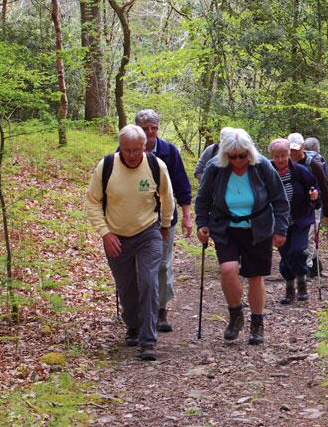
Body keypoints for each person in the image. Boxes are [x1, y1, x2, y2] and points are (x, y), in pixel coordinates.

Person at [86, 125, 175, 361]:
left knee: (148, 281)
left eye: (137, 150)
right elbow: (93, 201)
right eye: (127, 150)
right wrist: (105, 233)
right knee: (126, 286)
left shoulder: (156, 166)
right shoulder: (106, 166)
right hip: (116, 235)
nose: (133, 155)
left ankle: (148, 340)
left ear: (145, 147)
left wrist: (165, 224)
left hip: (148, 232)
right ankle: (133, 326)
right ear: (121, 148)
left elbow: (167, 197)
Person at [194, 129, 289, 345]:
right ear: (225, 154)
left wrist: (281, 229)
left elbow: (280, 199)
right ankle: (236, 315)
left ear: (249, 152)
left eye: (242, 155)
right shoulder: (215, 168)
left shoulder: (262, 165)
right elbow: (203, 198)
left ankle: (257, 323)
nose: (238, 161)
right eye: (232, 156)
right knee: (228, 270)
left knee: (255, 276)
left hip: (259, 228)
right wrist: (202, 224)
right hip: (225, 227)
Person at [135, 109, 192, 333]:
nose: (150, 133)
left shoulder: (169, 151)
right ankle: (140, 310)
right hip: (135, 219)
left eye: (153, 128)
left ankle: (161, 311)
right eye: (145, 128)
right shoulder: (127, 150)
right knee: (138, 267)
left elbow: (182, 185)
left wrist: (187, 215)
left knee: (162, 264)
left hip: (165, 219)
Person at [268, 139, 319, 304]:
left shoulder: (300, 171)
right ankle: (290, 288)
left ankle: (302, 281)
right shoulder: (267, 171)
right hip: (278, 223)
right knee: (285, 256)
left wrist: (314, 196)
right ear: (272, 156)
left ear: (288, 154)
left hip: (300, 219)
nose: (281, 159)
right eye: (277, 156)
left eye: (283, 155)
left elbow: (314, 188)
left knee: (296, 251)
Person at [287, 133, 328, 277]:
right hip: (291, 209)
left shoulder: (313, 164)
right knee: (295, 240)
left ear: (302, 147)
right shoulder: (283, 163)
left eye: (296, 149)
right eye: (291, 149)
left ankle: (304, 270)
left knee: (308, 238)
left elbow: (325, 188)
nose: (293, 152)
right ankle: (314, 264)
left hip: (313, 208)